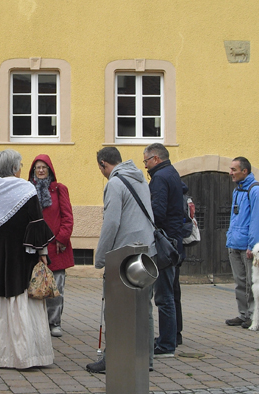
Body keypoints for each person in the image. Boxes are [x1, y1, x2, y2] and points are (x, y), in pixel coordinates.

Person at [0, 149, 55, 369]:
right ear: (15, 167)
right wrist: (42, 254)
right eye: (21, 165)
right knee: (22, 300)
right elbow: (36, 223)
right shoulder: (26, 188)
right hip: (21, 255)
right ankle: (24, 355)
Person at [86, 146, 156, 374]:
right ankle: (145, 360)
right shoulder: (140, 180)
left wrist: (101, 256)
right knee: (143, 309)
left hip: (124, 255)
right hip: (146, 252)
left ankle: (113, 359)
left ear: (103, 164)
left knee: (116, 310)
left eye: (100, 168)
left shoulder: (115, 184)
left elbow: (112, 223)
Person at [142, 143, 183, 357]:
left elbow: (157, 211)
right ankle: (174, 335)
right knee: (173, 292)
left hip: (165, 241)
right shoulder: (172, 172)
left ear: (156, 159)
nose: (146, 166)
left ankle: (167, 344)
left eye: (146, 161)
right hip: (175, 239)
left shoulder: (160, 178)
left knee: (164, 295)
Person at [27, 155, 74, 338]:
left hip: (56, 247)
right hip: (33, 247)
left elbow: (67, 217)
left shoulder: (59, 189)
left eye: (44, 167)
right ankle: (36, 323)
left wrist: (62, 239)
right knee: (34, 287)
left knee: (56, 289)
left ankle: (54, 322)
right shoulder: (27, 190)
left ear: (50, 170)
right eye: (37, 167)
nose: (40, 170)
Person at [225, 156, 259, 329]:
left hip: (248, 247)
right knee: (240, 282)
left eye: (234, 170)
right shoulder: (237, 190)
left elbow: (257, 221)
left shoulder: (256, 190)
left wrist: (254, 246)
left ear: (245, 171)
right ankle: (243, 315)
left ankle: (255, 316)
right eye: (231, 169)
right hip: (234, 242)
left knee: (252, 283)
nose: (231, 173)